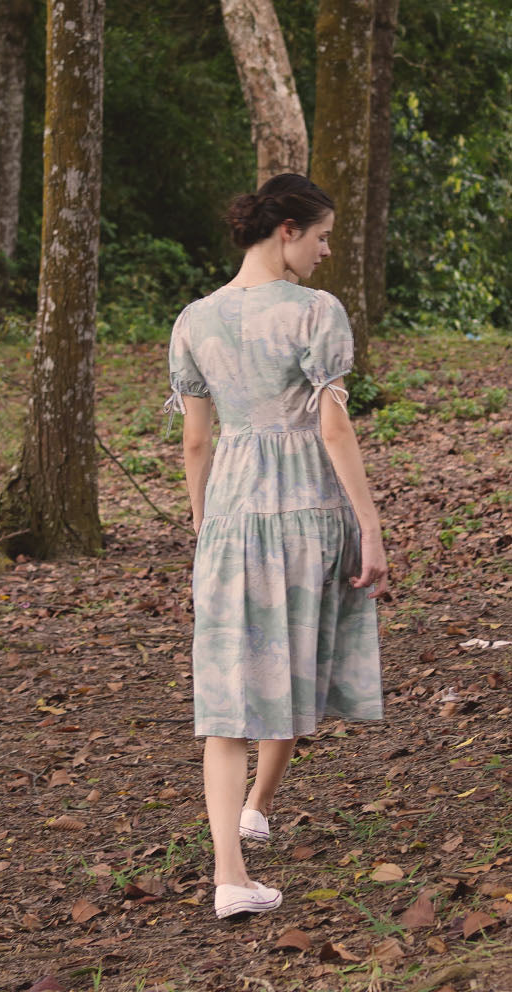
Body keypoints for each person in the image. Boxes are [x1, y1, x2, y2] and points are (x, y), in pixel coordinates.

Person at [166, 173, 387, 920]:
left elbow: (196, 441)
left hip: (230, 515)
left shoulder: (194, 320)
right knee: (292, 669)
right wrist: (372, 526)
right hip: (304, 510)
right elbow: (333, 429)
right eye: (322, 236)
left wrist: (204, 529)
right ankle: (255, 810)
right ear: (286, 230)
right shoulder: (317, 314)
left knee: (229, 698)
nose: (327, 253)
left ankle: (234, 864)